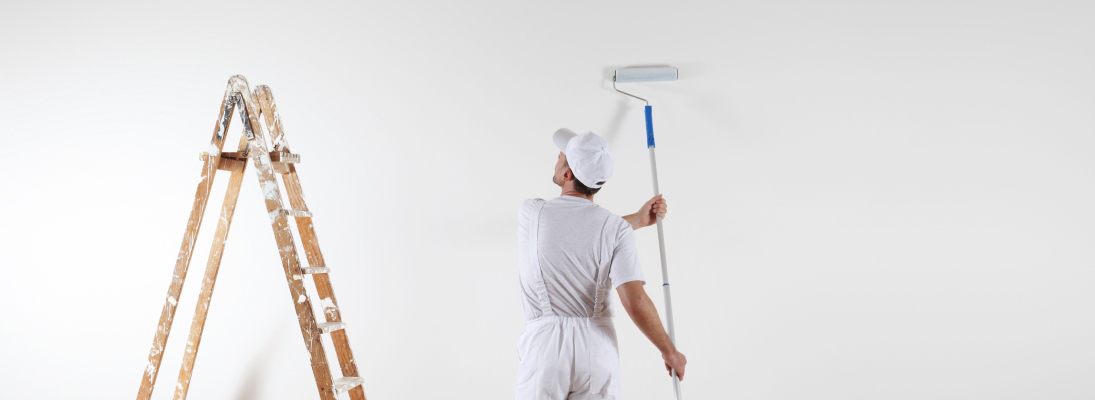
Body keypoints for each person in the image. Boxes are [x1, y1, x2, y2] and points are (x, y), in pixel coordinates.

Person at [515, 128, 687, 399]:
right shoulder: (616, 229)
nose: (557, 159)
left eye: (560, 157)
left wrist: (634, 221)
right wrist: (669, 351)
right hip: (597, 351)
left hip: (544, 351)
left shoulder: (531, 213)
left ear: (567, 175)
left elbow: (574, 230)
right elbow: (635, 301)